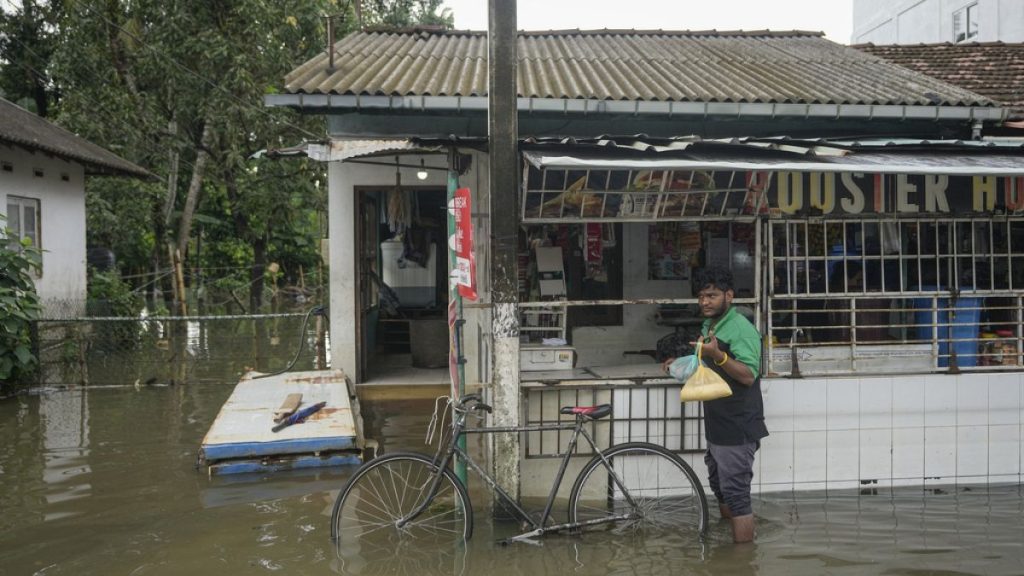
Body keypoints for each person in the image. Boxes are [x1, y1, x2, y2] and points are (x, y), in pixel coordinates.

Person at [663, 266, 768, 543]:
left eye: (711, 295)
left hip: (738, 423)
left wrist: (718, 355)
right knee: (720, 488)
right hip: (717, 422)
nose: (705, 302)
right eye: (701, 296)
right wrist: (681, 364)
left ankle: (742, 561)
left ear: (729, 296)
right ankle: (726, 543)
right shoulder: (711, 325)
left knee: (737, 496)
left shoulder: (741, 329)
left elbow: (747, 375)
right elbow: (705, 361)